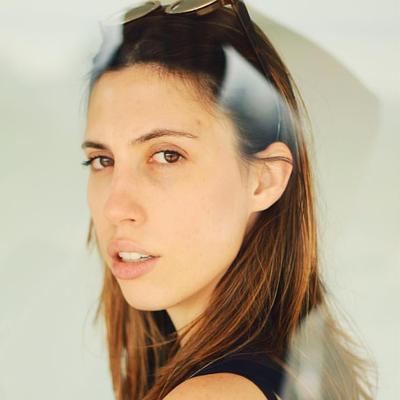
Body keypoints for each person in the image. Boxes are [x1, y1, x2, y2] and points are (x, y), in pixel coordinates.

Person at [80, 1, 377, 399]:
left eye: (167, 155)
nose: (116, 208)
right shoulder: (294, 371)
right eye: (102, 160)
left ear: (263, 180)